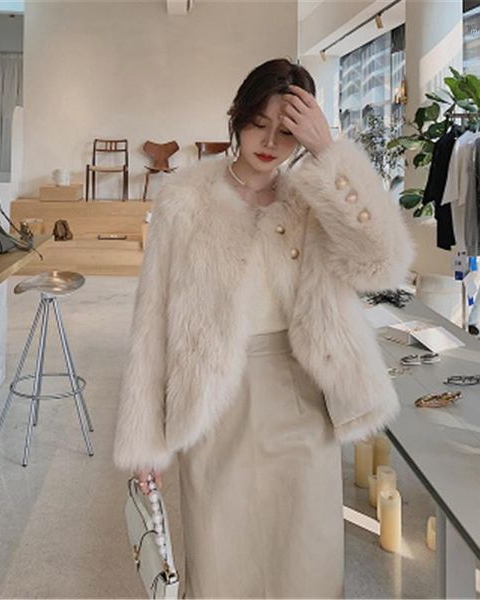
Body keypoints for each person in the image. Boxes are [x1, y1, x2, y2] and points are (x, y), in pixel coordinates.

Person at [114, 58, 414, 598]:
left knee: (306, 561)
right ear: (237, 115)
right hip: (213, 403)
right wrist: (143, 440)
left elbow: (382, 262)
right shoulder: (185, 199)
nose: (271, 142)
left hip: (301, 398)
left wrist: (329, 153)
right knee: (221, 562)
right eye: (259, 124)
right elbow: (152, 321)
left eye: (287, 131)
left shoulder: (312, 198)